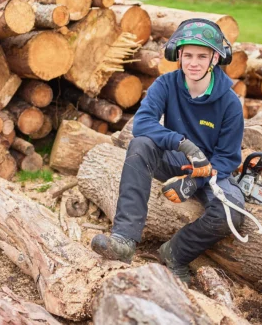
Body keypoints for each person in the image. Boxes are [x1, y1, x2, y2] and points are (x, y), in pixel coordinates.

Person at [91, 18, 246, 283]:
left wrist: (195, 181)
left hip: (212, 169)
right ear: (178, 55)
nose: (193, 63)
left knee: (232, 212)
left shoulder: (230, 102)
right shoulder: (166, 84)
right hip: (177, 157)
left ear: (215, 58)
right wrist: (183, 144)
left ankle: (175, 253)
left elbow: (228, 157)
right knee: (140, 145)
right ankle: (125, 239)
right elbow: (142, 124)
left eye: (202, 56)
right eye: (187, 55)